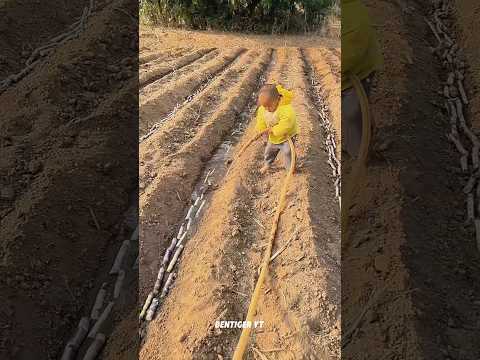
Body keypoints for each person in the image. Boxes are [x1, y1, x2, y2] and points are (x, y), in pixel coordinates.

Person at [342, 0, 383, 158]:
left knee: (354, 112)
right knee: (349, 112)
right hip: (344, 74)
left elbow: (349, 56)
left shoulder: (354, 18)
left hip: (359, 72)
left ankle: (361, 152)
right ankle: (352, 143)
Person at [255, 83, 298, 173]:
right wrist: (261, 130)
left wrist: (274, 130)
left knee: (288, 152)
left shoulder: (285, 109)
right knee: (269, 152)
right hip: (273, 137)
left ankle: (290, 168)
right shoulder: (263, 109)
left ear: (278, 99)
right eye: (264, 106)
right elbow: (261, 120)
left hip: (287, 136)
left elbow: (286, 124)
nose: (267, 109)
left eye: (269, 106)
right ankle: (268, 164)